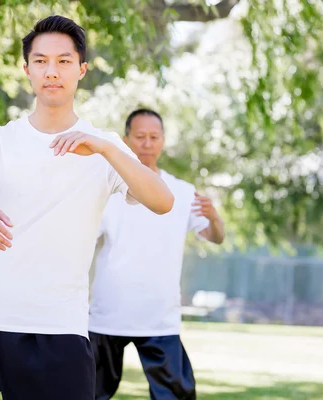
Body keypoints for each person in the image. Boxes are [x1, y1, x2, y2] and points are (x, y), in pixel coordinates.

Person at [0, 17, 173, 400]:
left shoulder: (105, 147)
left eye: (63, 61)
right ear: (27, 70)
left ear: (81, 70)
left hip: (56, 327)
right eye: (40, 61)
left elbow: (162, 201)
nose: (51, 72)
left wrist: (106, 148)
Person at [89, 109, 225, 400]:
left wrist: (215, 218)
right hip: (107, 313)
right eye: (140, 137)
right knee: (87, 393)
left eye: (154, 137)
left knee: (176, 396)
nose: (147, 143)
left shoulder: (183, 192)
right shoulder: (107, 190)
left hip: (159, 316)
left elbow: (215, 237)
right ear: (126, 140)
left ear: (163, 140)